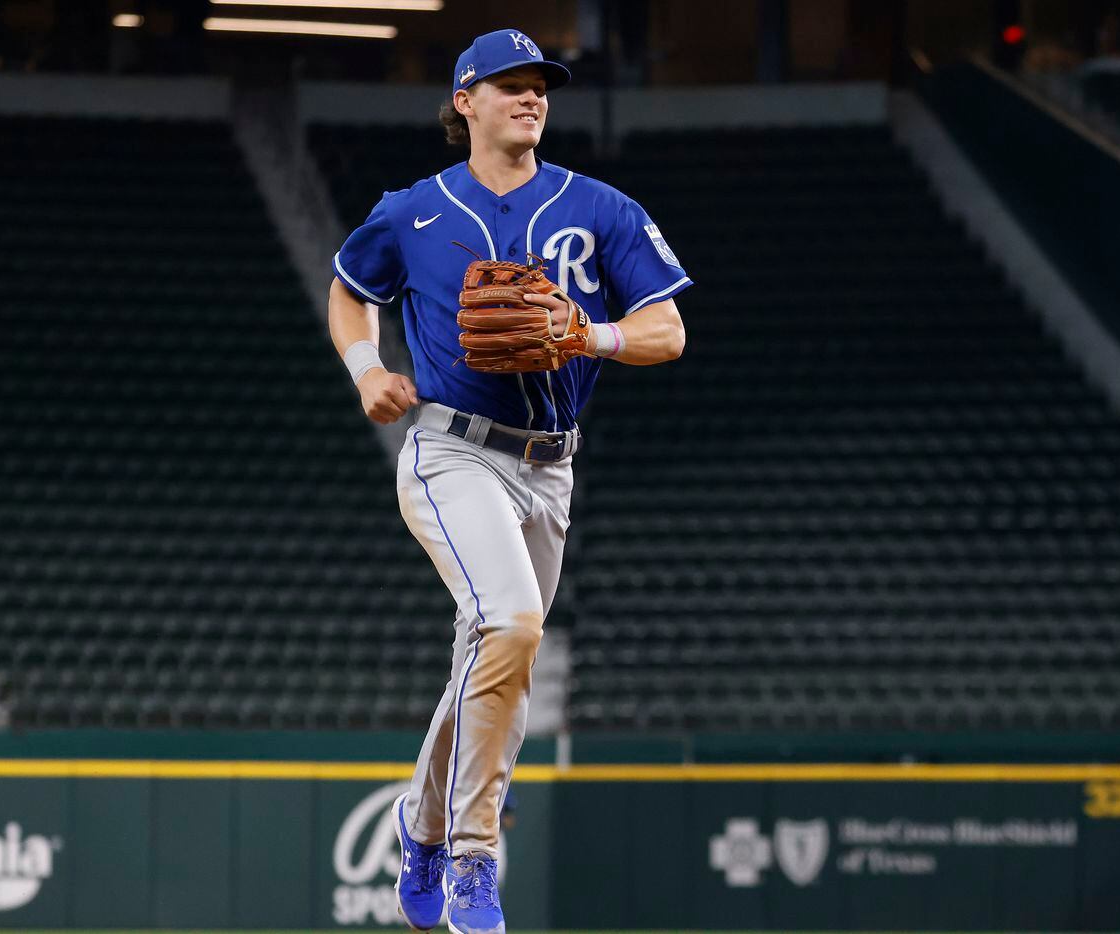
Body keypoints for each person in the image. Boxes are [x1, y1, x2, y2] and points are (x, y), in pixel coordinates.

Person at [327, 27, 690, 934]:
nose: (532, 98)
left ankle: (422, 821)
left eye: (541, 87)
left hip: (550, 465)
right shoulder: (410, 211)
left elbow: (667, 330)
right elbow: (349, 290)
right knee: (515, 625)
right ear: (466, 101)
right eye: (511, 84)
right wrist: (369, 369)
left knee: (499, 657)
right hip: (452, 448)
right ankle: (475, 860)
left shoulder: (600, 208)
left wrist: (591, 334)